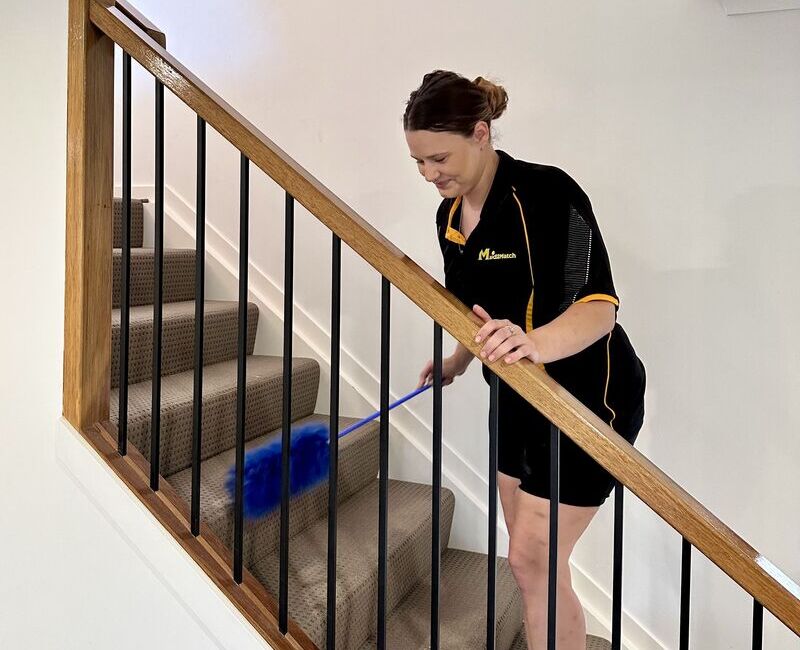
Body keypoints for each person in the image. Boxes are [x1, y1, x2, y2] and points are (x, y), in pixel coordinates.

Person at [404, 70, 646, 650]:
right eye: (418, 162)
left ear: (481, 133)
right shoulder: (449, 217)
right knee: (529, 562)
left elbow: (598, 308)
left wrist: (534, 343)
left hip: (588, 391)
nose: (430, 175)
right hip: (515, 391)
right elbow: (476, 311)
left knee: (532, 556)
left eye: (440, 157)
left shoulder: (545, 193)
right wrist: (460, 360)